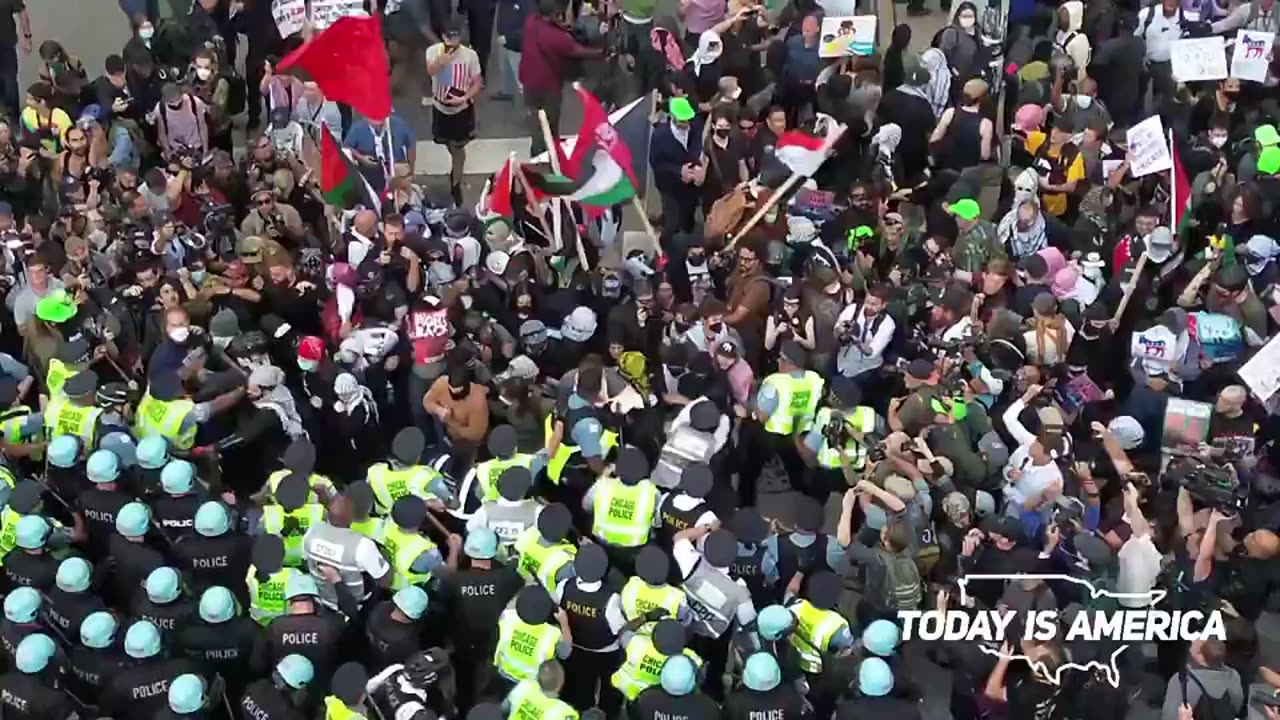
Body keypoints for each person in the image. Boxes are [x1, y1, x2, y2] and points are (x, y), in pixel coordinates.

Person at [424, 17, 482, 206]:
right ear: (442, 37)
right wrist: (440, 62)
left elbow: (477, 82)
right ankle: (457, 170)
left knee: (458, 147)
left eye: (455, 37)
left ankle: (456, 180)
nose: (452, 42)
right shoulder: (433, 51)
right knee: (447, 143)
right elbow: (430, 72)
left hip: (461, 109)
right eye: (448, 37)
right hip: (440, 108)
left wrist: (464, 98)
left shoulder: (470, 56)